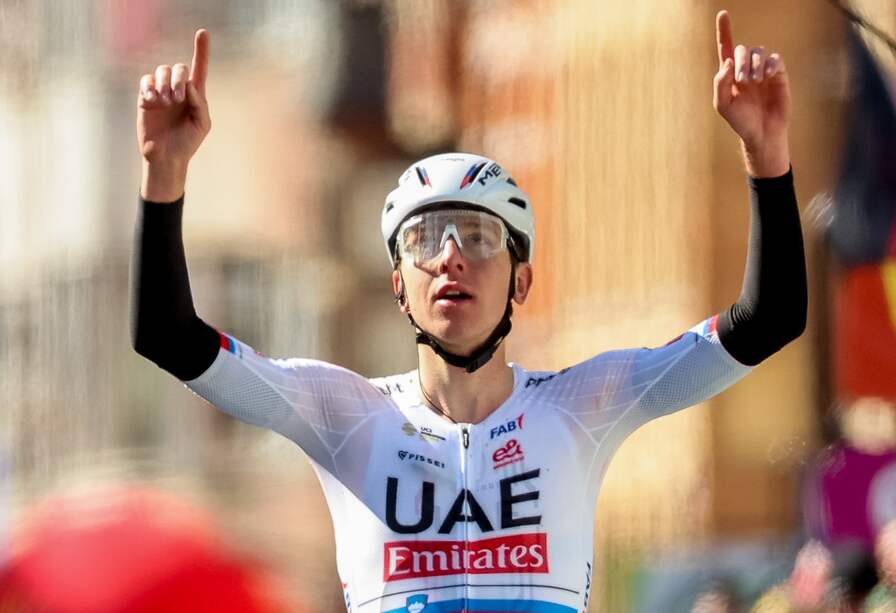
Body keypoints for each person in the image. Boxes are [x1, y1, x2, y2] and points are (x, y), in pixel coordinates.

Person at [131, 10, 806, 613]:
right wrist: (165, 174)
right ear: (399, 286)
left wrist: (766, 156)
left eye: (479, 238)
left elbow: (769, 318)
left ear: (522, 283)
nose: (451, 257)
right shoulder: (343, 413)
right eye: (425, 240)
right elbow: (168, 335)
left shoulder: (583, 405)